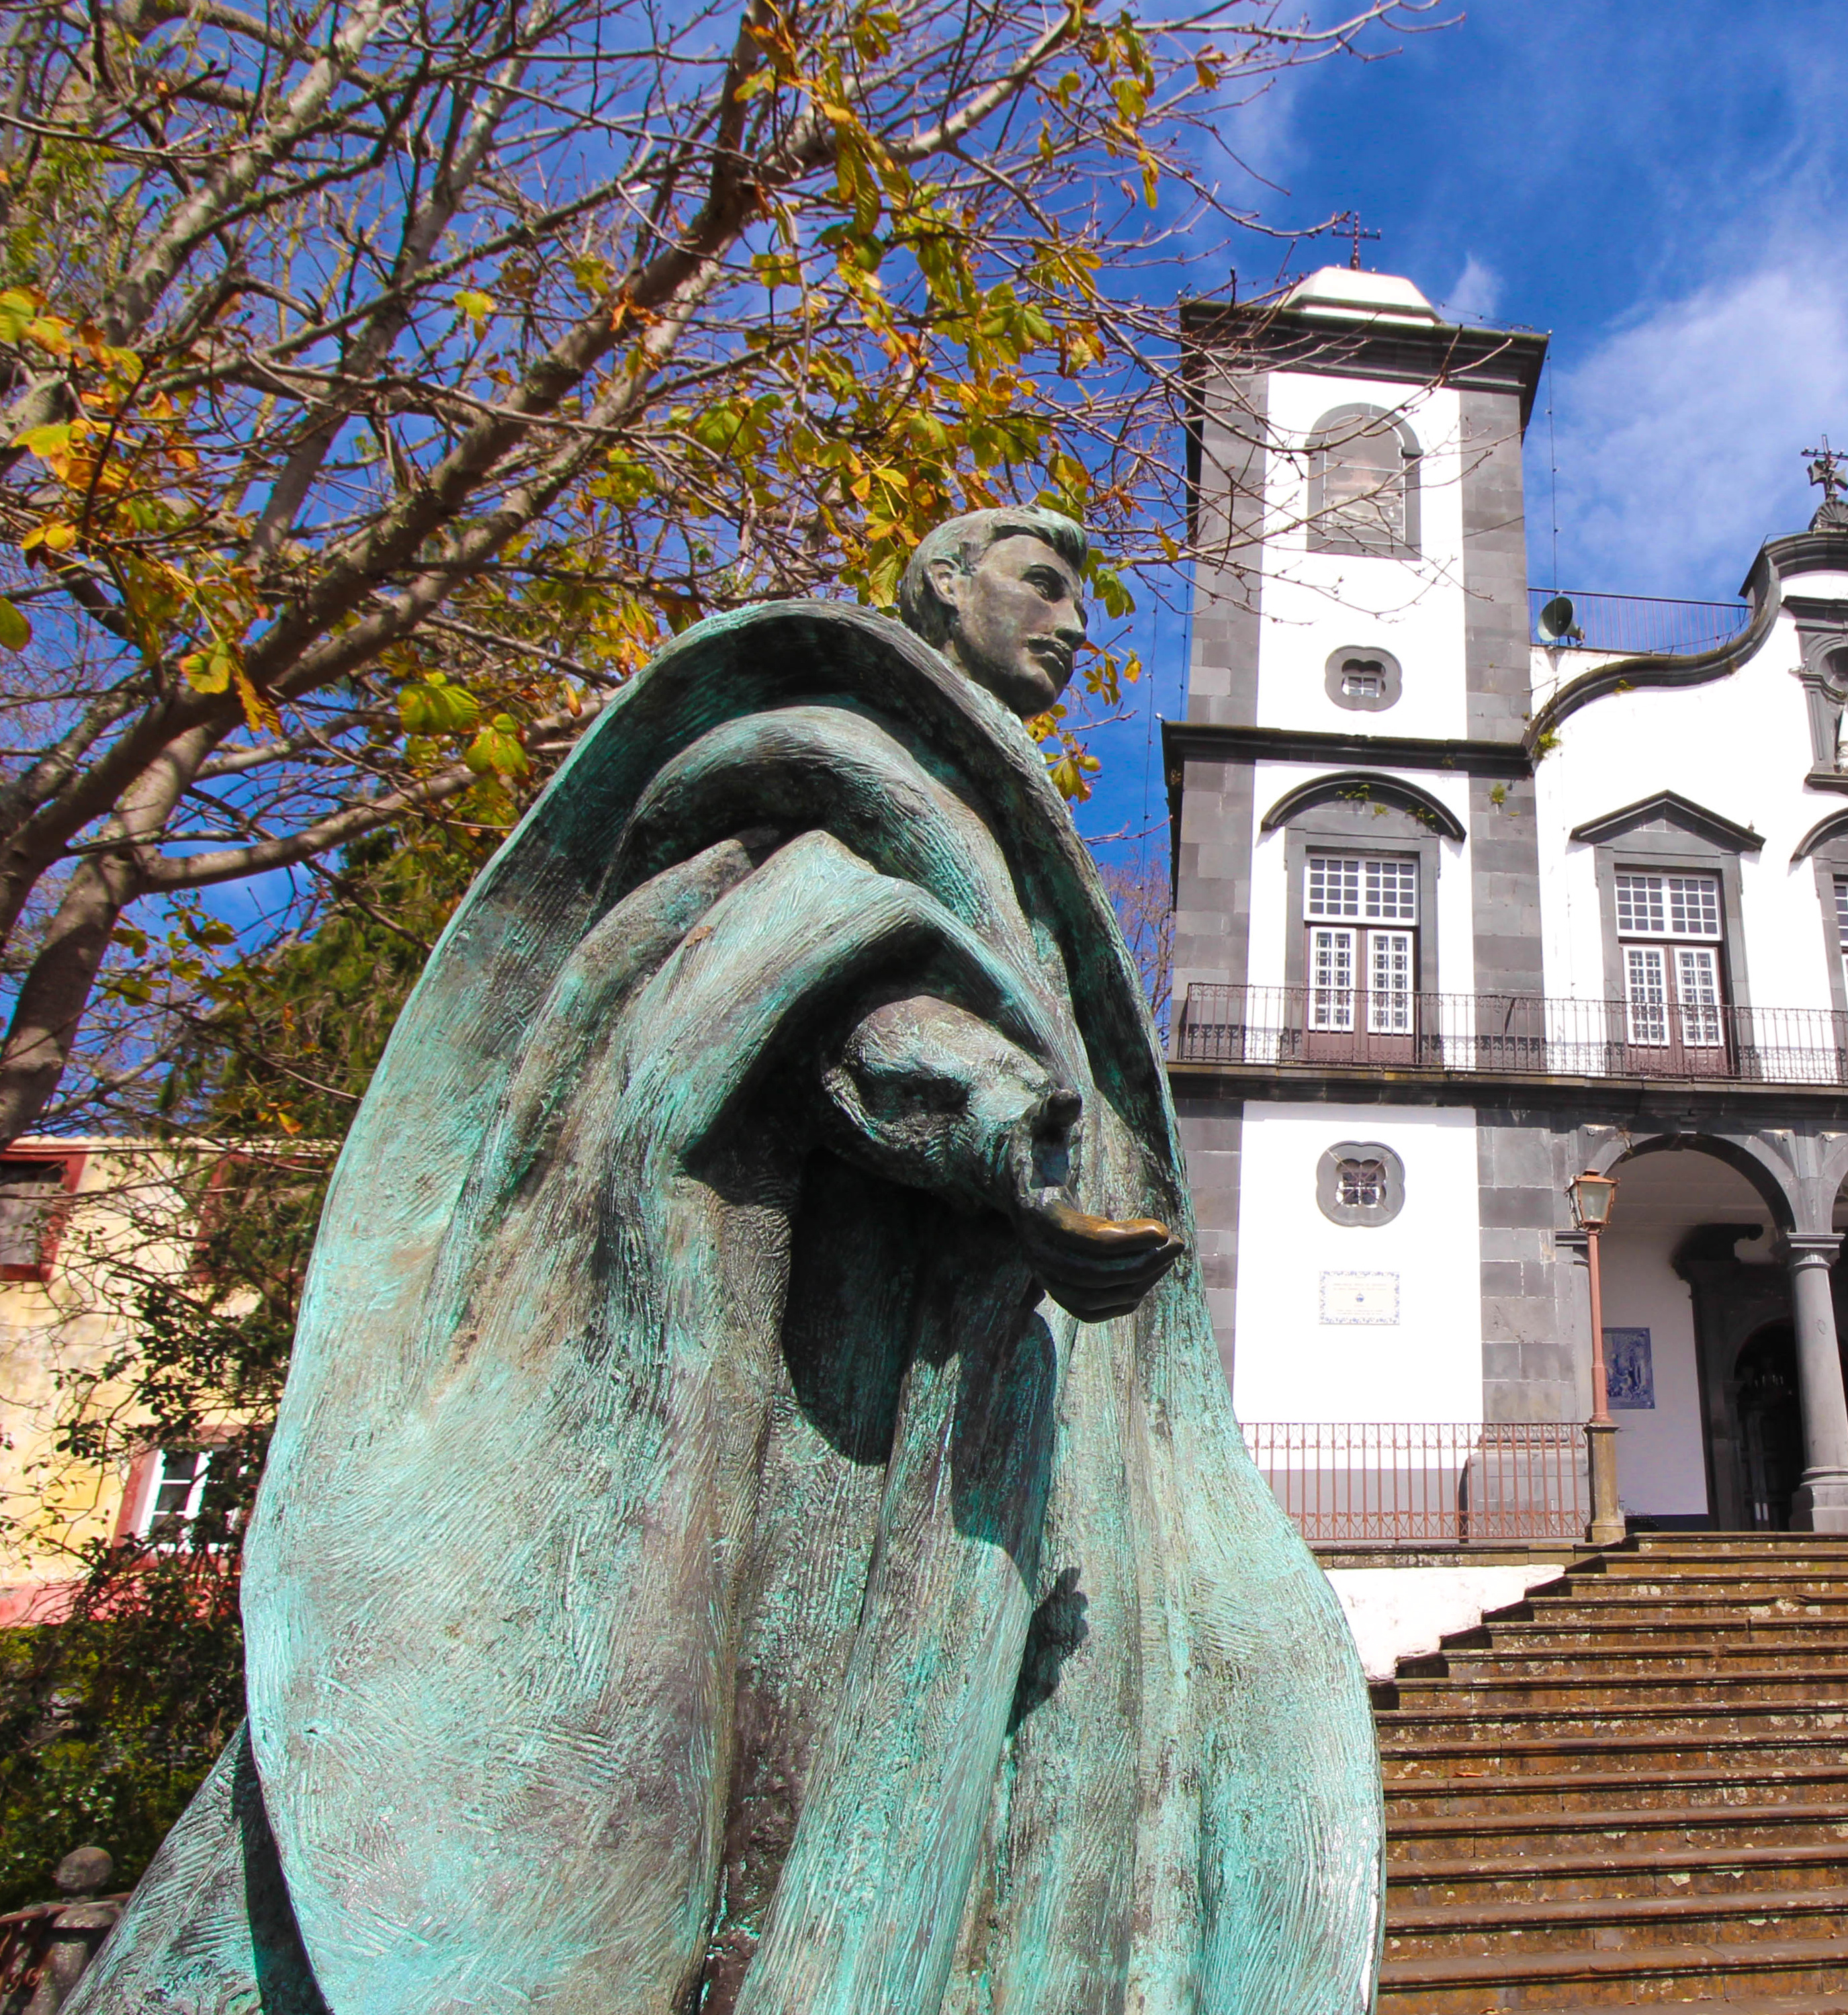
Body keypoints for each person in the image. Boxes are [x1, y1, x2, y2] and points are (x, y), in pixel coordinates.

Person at [75, 508, 1382, 2014]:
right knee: (745, 1793)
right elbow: (814, 976)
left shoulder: (976, 813)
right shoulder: (844, 773)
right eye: (1043, 584)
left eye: (1085, 599)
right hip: (826, 1403)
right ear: (942, 586)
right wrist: (1003, 1139)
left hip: (959, 1376)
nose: (1078, 624)